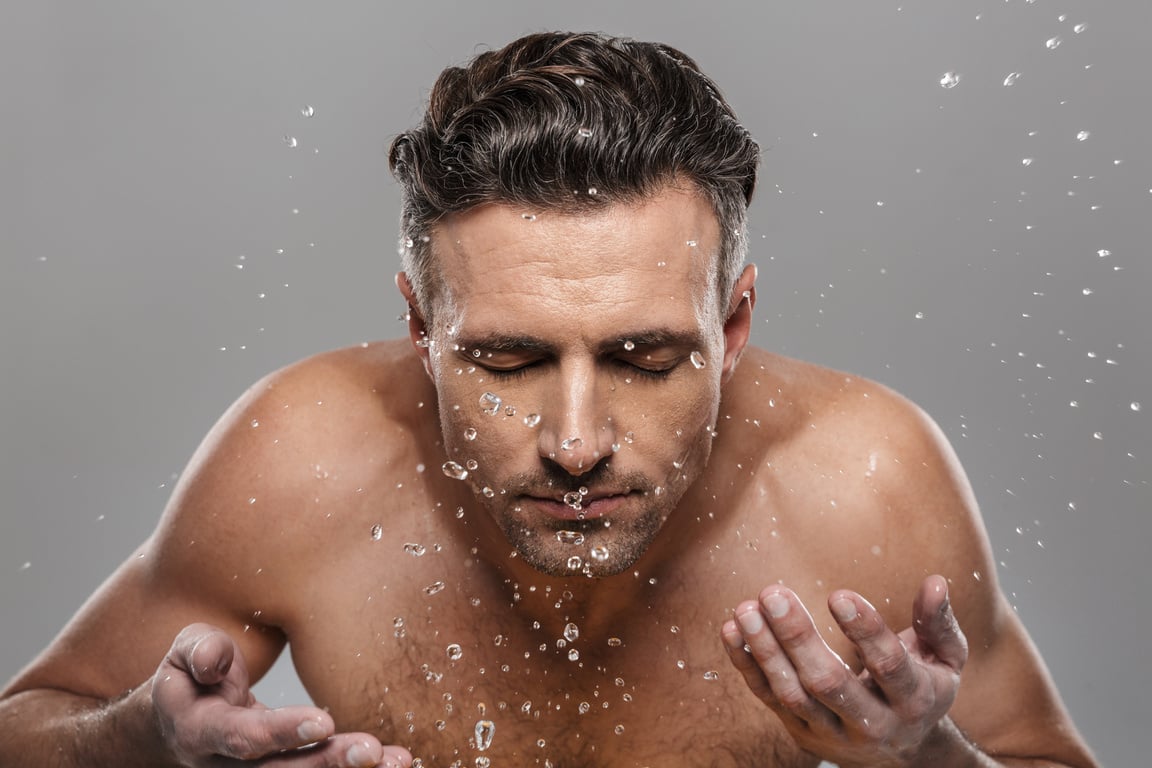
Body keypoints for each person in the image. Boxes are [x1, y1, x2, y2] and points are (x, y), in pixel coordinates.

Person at [0, 31, 1097, 768]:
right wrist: (143, 736)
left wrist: (933, 759)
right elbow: (27, 727)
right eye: (510, 362)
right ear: (423, 332)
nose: (575, 443)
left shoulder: (868, 482)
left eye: (646, 359)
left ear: (734, 327)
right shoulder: (302, 457)